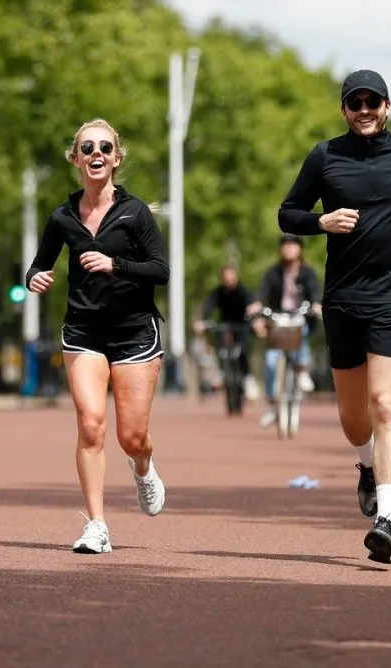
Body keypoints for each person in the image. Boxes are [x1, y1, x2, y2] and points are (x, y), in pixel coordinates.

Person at [278, 69, 391, 564]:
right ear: (344, 111)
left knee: (386, 405)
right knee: (356, 423)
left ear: (388, 106)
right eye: (355, 103)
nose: (365, 110)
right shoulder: (325, 156)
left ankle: (387, 520)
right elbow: (287, 212)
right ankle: (366, 465)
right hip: (344, 299)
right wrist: (320, 222)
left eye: (373, 102)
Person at [26, 118, 169, 555]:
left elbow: (161, 271)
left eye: (105, 148)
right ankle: (97, 524)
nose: (96, 155)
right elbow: (39, 263)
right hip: (83, 331)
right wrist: (36, 277)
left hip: (134, 334)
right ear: (75, 158)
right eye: (87, 148)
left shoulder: (136, 212)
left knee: (132, 436)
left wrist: (116, 264)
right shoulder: (63, 216)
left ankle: (143, 467)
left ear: (116, 158)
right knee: (90, 426)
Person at [246, 233, 322, 428]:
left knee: (301, 330)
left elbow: (315, 292)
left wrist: (315, 305)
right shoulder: (273, 272)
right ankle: (273, 404)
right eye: (285, 245)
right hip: (278, 319)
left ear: (300, 249)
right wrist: (256, 305)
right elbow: (262, 291)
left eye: (292, 245)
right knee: (271, 361)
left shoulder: (308, 272)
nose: (288, 248)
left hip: (300, 317)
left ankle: (302, 369)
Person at [195, 265, 258, 401]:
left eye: (232, 279)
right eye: (227, 279)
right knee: (220, 344)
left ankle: (248, 378)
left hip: (242, 323)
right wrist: (203, 321)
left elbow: (251, 305)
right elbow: (208, 307)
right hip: (226, 324)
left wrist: (254, 317)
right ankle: (222, 371)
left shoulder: (243, 291)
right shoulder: (217, 292)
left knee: (243, 349)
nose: (230, 282)